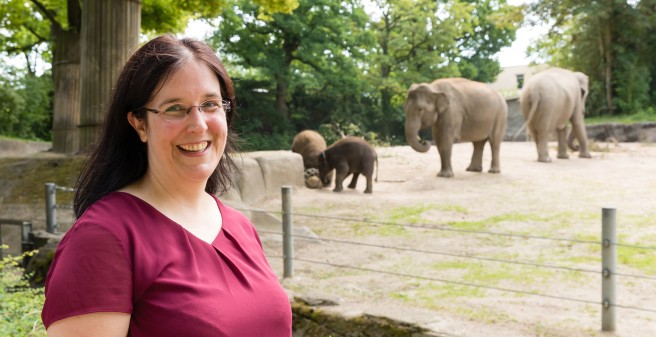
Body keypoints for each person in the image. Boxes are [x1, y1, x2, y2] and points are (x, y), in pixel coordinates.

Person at [41, 34, 293, 336]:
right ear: (139, 124)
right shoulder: (104, 239)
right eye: (175, 108)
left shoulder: (240, 226)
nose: (198, 124)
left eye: (210, 104)